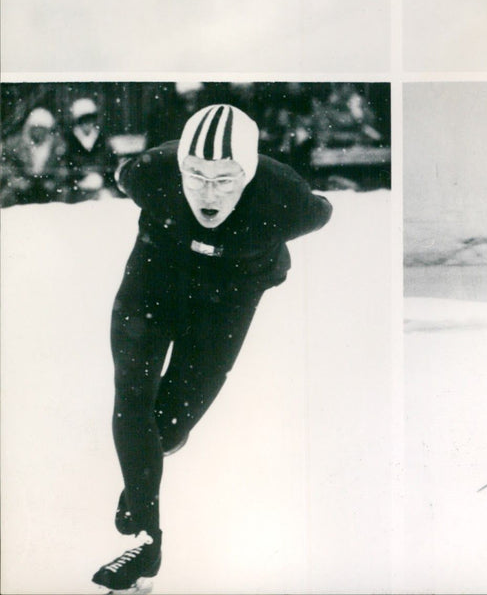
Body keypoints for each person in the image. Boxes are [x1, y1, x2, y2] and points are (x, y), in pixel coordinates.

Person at [90, 104, 332, 592]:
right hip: (153, 284)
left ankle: (141, 477)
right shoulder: (149, 175)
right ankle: (146, 536)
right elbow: (124, 172)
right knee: (133, 397)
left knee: (169, 428)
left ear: (251, 173)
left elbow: (323, 209)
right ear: (177, 167)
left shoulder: (288, 201)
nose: (207, 191)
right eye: (195, 175)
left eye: (225, 180)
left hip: (228, 299)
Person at [0, 108, 68, 207]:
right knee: (7, 195)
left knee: (63, 192)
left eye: (42, 129)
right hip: (22, 187)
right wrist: (16, 180)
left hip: (47, 187)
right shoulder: (16, 145)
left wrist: (54, 182)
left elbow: (63, 169)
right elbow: (7, 166)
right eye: (36, 128)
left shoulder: (56, 147)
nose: (39, 132)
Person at [63, 98, 119, 203]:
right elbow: (65, 167)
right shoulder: (69, 141)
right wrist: (79, 179)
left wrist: (102, 179)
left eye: (90, 121)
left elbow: (112, 165)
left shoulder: (103, 141)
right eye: (84, 121)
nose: (88, 125)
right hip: (76, 190)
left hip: (102, 188)